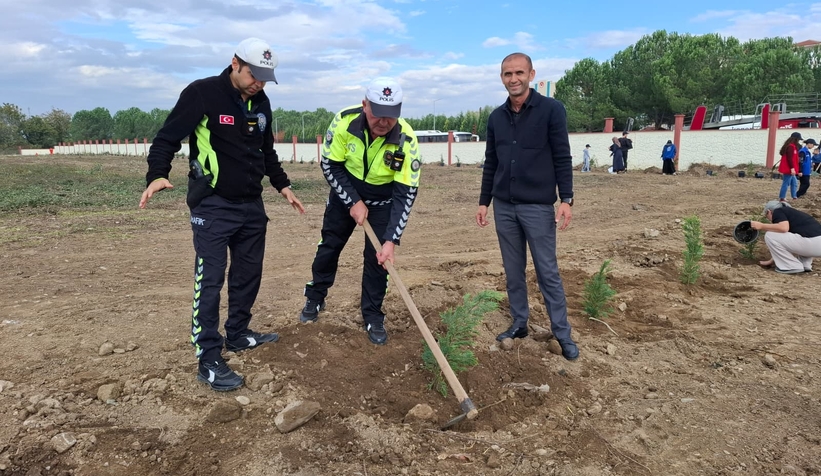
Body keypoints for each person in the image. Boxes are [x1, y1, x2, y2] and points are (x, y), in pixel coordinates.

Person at [139, 38, 305, 391]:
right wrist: (157, 174)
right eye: (254, 74)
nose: (259, 82)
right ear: (235, 63)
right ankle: (208, 358)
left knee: (248, 274)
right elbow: (166, 138)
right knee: (211, 279)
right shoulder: (203, 93)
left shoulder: (261, 102)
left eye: (265, 77)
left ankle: (238, 333)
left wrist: (283, 185)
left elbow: (266, 151)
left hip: (251, 205)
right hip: (212, 204)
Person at [298, 77, 421, 346]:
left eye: (391, 115)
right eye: (377, 113)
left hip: (383, 203)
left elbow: (406, 194)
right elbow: (330, 165)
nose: (383, 122)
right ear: (365, 105)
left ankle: (373, 315)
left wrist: (391, 240)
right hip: (346, 196)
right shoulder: (344, 122)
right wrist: (353, 201)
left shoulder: (406, 140)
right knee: (329, 247)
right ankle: (315, 298)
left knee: (379, 261)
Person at [476, 52, 579, 361]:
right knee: (513, 272)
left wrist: (567, 199)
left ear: (531, 74)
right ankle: (520, 323)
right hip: (504, 208)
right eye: (508, 74)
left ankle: (562, 333)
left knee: (547, 272)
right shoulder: (496, 117)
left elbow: (562, 156)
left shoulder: (551, 110)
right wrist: (484, 202)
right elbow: (491, 162)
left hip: (537, 207)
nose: (513, 79)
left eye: (519, 72)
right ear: (502, 78)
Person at [753, 200, 821, 274]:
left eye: (767, 216)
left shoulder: (778, 211)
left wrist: (761, 226)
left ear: (769, 212)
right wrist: (772, 260)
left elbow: (783, 228)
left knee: (770, 235)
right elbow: (786, 243)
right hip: (817, 245)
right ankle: (805, 264)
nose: (769, 219)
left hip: (811, 244)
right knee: (801, 235)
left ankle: (791, 266)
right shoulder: (794, 215)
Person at [777, 132, 801, 201]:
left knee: (794, 182)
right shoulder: (791, 147)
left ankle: (794, 196)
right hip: (789, 169)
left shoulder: (791, 146)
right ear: (796, 139)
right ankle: (782, 197)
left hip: (790, 168)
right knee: (786, 182)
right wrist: (792, 168)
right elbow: (790, 158)